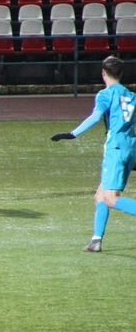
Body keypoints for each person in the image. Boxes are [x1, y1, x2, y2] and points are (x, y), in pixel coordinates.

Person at [51, 55, 136, 252]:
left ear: (103, 73)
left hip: (115, 149)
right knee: (100, 195)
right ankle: (96, 241)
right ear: (121, 74)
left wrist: (72, 134)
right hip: (130, 146)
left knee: (111, 198)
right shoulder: (132, 95)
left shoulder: (106, 94)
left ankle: (96, 241)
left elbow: (96, 116)